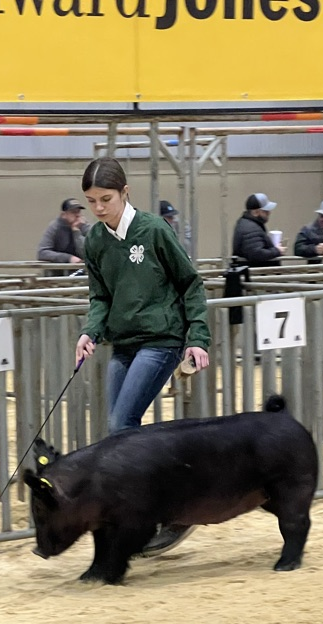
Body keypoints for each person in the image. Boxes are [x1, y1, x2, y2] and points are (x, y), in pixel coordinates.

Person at [74, 157, 211, 555]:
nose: (98, 208)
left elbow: (190, 283)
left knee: (121, 424)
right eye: (91, 201)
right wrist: (90, 331)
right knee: (119, 435)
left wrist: (197, 337)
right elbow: (100, 295)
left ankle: (160, 511)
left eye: (106, 198)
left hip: (162, 339)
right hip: (123, 342)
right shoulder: (96, 241)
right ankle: (167, 507)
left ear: (124, 193)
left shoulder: (154, 231)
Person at [36, 197, 90, 273]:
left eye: (79, 212)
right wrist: (68, 258)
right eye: (73, 212)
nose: (78, 215)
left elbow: (89, 252)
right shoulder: (54, 227)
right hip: (57, 274)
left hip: (82, 272)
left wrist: (76, 232)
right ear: (63, 215)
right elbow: (42, 252)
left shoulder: (84, 225)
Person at [231, 193, 286, 267]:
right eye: (265, 211)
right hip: (255, 274)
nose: (269, 213)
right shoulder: (251, 228)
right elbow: (256, 254)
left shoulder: (246, 224)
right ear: (256, 212)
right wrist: (277, 251)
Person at [294, 198, 323, 263]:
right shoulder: (308, 229)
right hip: (316, 270)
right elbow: (298, 249)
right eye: (321, 216)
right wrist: (315, 249)